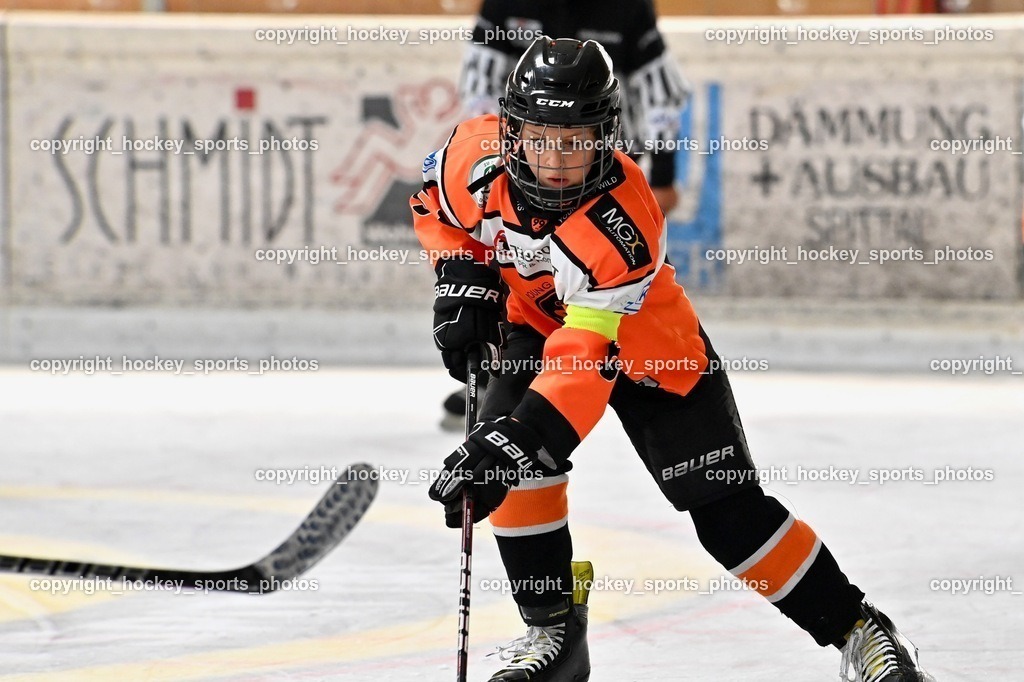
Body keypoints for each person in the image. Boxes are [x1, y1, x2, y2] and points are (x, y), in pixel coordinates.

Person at [412, 37, 935, 682]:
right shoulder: (471, 158)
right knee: (519, 474)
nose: (554, 160)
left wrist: (516, 440)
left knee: (729, 517)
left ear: (606, 138)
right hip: (537, 326)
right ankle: (554, 632)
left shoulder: (622, 223)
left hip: (648, 351)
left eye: (574, 141)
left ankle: (859, 631)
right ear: (512, 131)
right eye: (541, 137)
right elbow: (435, 211)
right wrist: (462, 277)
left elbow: (584, 358)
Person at [439, 0, 691, 431]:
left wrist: (663, 175)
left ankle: (622, 378)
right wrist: (485, 162)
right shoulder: (505, 2)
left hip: (599, 178)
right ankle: (498, 373)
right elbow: (480, 82)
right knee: (504, 278)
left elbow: (658, 92)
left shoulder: (627, 8)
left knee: (615, 289)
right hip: (521, 169)